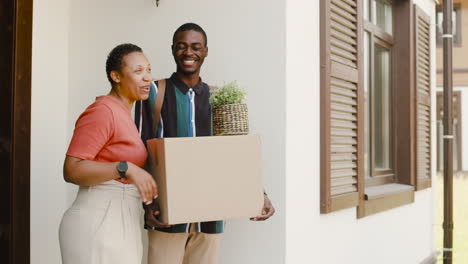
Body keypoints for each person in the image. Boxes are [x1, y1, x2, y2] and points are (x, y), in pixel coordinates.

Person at [135, 23, 275, 264]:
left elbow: (235, 152)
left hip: (211, 216)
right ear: (173, 50)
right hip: (167, 216)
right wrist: (147, 203)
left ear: (206, 51)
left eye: (196, 47)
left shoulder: (218, 97)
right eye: (182, 46)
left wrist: (258, 194)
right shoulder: (154, 93)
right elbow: (139, 150)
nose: (188, 53)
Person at [59, 43, 158, 264]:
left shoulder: (124, 114)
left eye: (149, 70)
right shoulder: (103, 111)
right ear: (116, 76)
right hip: (99, 221)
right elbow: (72, 169)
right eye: (138, 71)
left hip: (121, 219)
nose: (147, 77)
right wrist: (124, 167)